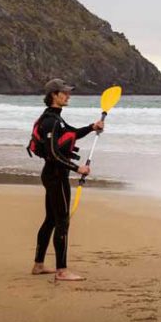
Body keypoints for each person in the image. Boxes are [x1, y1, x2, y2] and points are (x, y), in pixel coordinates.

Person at [30, 79, 104, 281]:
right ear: (54, 94)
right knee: (62, 221)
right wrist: (77, 167)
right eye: (64, 92)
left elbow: (72, 134)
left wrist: (92, 127)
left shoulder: (56, 119)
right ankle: (61, 271)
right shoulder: (51, 121)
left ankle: (38, 265)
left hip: (54, 174)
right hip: (55, 176)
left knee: (51, 220)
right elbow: (54, 153)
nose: (68, 95)